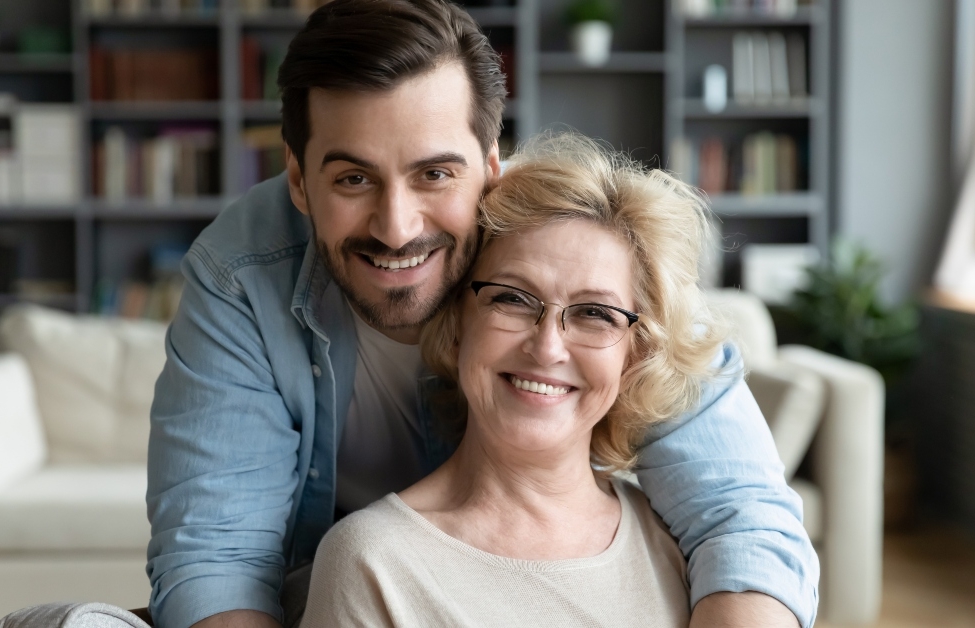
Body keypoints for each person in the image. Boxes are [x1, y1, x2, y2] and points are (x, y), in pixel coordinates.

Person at [146, 1, 818, 627]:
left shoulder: (581, 244)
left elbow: (742, 516)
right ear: (298, 178)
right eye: (353, 178)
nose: (397, 226)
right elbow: (217, 557)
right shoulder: (239, 273)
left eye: (435, 174)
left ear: (491, 164)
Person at [300, 132, 721, 627]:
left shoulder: (684, 549)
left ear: (635, 356)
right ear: (457, 324)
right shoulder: (374, 564)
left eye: (595, 314)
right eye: (512, 299)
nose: (547, 348)